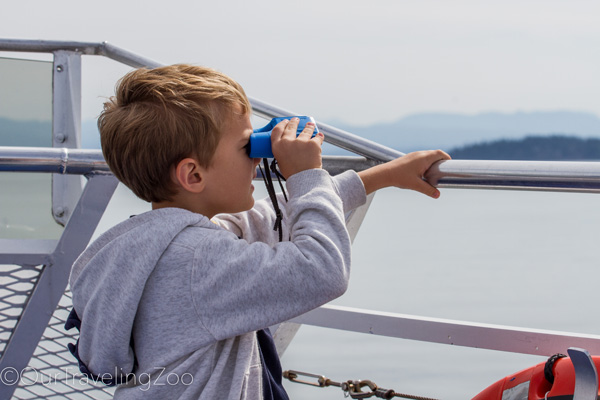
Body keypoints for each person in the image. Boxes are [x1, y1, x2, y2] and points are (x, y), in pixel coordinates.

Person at [65, 64, 450, 400]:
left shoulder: (157, 243)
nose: (258, 157)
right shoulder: (198, 261)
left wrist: (382, 176)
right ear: (193, 175)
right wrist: (304, 175)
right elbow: (322, 270)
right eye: (246, 146)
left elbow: (268, 218)